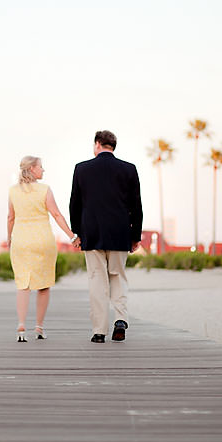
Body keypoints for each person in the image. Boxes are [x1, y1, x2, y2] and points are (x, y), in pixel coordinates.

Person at [69, 130, 143, 344]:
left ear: (98, 144)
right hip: (120, 232)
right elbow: (136, 205)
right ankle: (120, 319)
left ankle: (99, 331)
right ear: (113, 146)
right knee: (117, 276)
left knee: (97, 280)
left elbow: (75, 203)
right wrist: (135, 234)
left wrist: (78, 232)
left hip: (92, 233)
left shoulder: (81, 169)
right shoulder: (129, 169)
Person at [7, 156, 77, 342]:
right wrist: (72, 236)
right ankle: (39, 327)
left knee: (23, 284)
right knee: (44, 284)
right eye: (40, 167)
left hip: (21, 240)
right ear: (31, 169)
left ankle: (21, 326)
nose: (43, 170)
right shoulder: (44, 190)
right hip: (42, 240)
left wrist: (9, 239)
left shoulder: (13, 191)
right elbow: (56, 214)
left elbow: (10, 218)